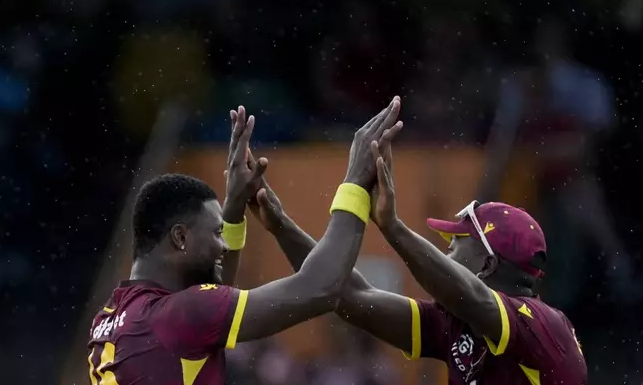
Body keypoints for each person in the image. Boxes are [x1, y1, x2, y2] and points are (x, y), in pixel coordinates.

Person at [86, 98, 403, 385]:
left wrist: (234, 211)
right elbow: (320, 288)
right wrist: (355, 184)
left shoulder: (110, 318)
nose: (224, 246)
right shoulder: (183, 313)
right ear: (180, 237)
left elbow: (211, 294)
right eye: (215, 234)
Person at [247, 127, 587, 384]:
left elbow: (469, 295)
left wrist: (393, 227)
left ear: (486, 266)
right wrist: (280, 227)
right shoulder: (457, 323)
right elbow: (351, 297)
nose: (445, 254)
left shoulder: (543, 326)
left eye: (455, 247)